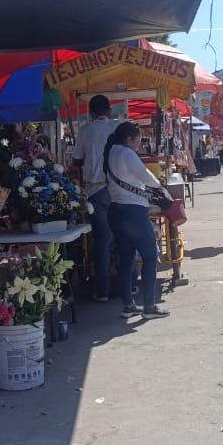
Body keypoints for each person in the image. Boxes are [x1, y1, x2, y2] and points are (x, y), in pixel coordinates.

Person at [103, 122, 170, 319]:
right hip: (133, 211)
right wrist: (160, 185)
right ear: (129, 138)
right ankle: (149, 306)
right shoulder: (126, 153)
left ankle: (128, 305)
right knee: (150, 256)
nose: (139, 143)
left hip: (115, 210)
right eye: (138, 139)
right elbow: (147, 177)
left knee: (126, 259)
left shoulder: (111, 152)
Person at [71, 95, 121, 303]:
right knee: (120, 236)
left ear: (90, 113)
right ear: (109, 110)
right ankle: (125, 284)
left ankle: (102, 290)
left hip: (96, 191)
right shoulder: (119, 128)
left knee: (101, 239)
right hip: (119, 190)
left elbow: (76, 161)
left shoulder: (85, 130)